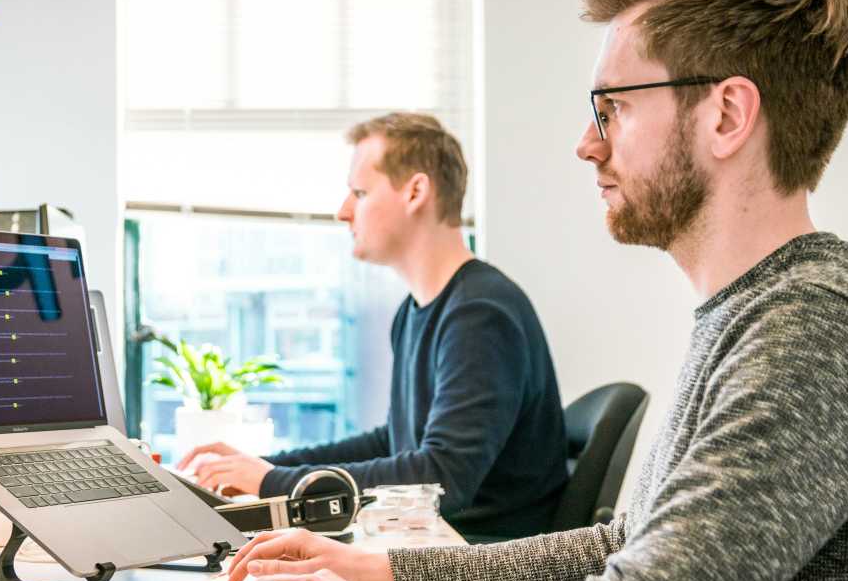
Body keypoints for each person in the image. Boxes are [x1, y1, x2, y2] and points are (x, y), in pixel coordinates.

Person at [216, 0, 848, 581]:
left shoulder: (813, 331)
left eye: (613, 108)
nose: (586, 144)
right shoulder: (755, 313)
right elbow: (620, 549)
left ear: (727, 114)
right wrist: (382, 571)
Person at [178, 113, 568, 539]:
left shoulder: (480, 315)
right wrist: (269, 467)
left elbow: (440, 479)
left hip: (479, 560)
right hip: (436, 544)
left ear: (416, 192)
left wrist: (273, 483)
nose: (343, 212)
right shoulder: (418, 311)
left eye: (360, 193)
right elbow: (394, 442)